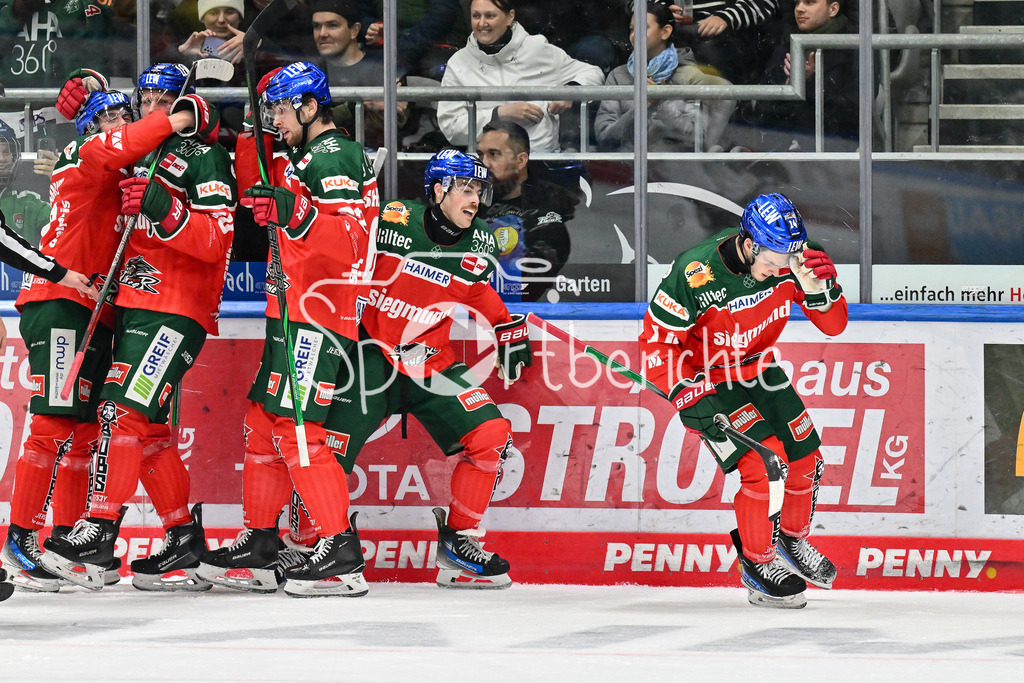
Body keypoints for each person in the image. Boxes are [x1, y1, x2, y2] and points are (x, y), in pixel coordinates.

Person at [37, 63, 235, 593]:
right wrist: (85, 91)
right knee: (148, 432)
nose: (147, 109)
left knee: (119, 413)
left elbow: (218, 240)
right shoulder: (141, 156)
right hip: (135, 309)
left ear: (181, 106)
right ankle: (183, 538)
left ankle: (99, 533)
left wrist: (165, 209)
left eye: (160, 100)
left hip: (174, 310)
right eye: (142, 98)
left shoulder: (204, 154)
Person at [195, 62, 379, 598]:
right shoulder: (302, 155)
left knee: (297, 430)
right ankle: (260, 543)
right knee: (263, 419)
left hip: (319, 312)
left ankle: (341, 553)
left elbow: (348, 241)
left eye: (279, 108)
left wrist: (292, 211)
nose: (275, 120)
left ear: (309, 105)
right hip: (290, 308)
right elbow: (265, 194)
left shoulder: (335, 154)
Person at [3, 89, 199, 592]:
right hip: (60, 301)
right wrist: (175, 117)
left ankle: (66, 544)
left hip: (91, 306)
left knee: (86, 433)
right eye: (105, 118)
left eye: (120, 115)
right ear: (88, 128)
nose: (117, 124)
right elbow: (128, 140)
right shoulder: (87, 153)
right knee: (50, 425)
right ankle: (20, 542)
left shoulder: (119, 171)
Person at [326, 149, 529, 589]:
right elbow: (343, 255)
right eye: (465, 189)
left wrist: (506, 324)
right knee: (329, 448)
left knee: (491, 435)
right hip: (370, 354)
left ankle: (460, 541)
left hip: (426, 358)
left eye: (479, 190)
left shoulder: (479, 241)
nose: (475, 200)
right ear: (438, 189)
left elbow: (473, 290)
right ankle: (316, 541)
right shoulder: (393, 219)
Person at [640, 192, 844, 609]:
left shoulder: (799, 260)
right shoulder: (695, 270)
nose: (779, 271)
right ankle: (757, 562)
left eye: (788, 260)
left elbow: (834, 327)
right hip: (709, 379)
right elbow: (656, 345)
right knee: (764, 466)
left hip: (760, 370)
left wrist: (822, 290)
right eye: (772, 260)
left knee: (808, 458)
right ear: (749, 243)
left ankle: (791, 540)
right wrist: (683, 388)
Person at [437, 0, 603, 153]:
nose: (482, 23)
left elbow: (593, 73)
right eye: (476, 16)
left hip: (541, 162)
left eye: (490, 16)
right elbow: (451, 128)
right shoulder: (459, 63)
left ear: (510, 17)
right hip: (487, 166)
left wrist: (570, 91)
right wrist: (498, 115)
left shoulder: (537, 48)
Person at [594, 2, 735, 152]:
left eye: (643, 28)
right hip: (629, 167)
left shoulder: (691, 78)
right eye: (632, 29)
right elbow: (604, 137)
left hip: (676, 169)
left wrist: (662, 105)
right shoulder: (618, 76)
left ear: (666, 31)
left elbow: (697, 139)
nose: (635, 35)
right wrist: (642, 108)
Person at [476, 119, 572, 302]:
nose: (484, 164)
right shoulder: (470, 206)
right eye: (480, 155)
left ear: (521, 160)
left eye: (494, 154)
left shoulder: (544, 215)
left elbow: (526, 288)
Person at [752, 0, 858, 150]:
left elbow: (850, 118)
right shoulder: (785, 50)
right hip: (783, 161)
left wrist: (809, 83)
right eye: (796, 3)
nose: (799, 9)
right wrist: (788, 86)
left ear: (833, 9)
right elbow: (762, 117)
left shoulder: (853, 50)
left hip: (832, 161)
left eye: (809, 2)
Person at [311, 0, 410, 149]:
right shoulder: (309, 72)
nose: (322, 34)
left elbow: (393, 124)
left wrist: (336, 115)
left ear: (354, 30)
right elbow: (306, 124)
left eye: (332, 25)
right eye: (317, 26)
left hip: (380, 163)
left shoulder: (385, 67)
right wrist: (363, 105)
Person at [669, 0, 780, 86]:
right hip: (672, 37)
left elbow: (765, 3)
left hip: (726, 39)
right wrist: (664, 11)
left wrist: (726, 18)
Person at [356, 0, 469, 78]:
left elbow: (442, 14)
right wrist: (372, 27)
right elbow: (361, 12)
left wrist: (402, 50)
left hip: (438, 45)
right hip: (389, 47)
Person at [0, 123, 51, 247]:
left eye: (6, 152)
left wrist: (62, 177)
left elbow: (70, 224)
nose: (1, 158)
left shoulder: (29, 203)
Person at [178, 0, 245, 65]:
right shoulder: (188, 48)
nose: (221, 20)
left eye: (229, 12)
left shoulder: (252, 45)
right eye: (213, 13)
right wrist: (182, 54)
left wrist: (251, 45)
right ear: (203, 18)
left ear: (239, 18)